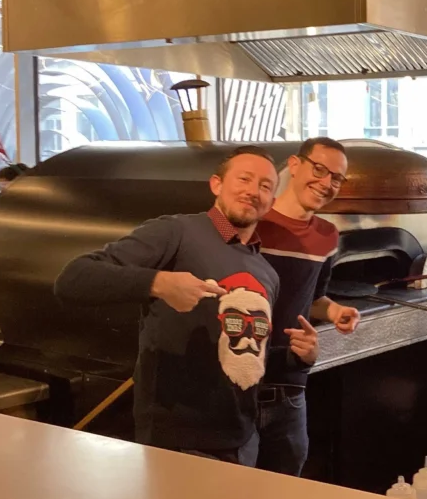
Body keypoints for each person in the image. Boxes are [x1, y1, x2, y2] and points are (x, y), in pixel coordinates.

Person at [55, 145, 308, 465]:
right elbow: (74, 279)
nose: (253, 191)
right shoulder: (176, 232)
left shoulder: (266, 273)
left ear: (271, 201)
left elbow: (244, 355)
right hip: (180, 439)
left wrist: (297, 358)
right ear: (217, 184)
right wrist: (157, 282)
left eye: (265, 186)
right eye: (244, 179)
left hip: (243, 438)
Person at [255, 137, 360, 477]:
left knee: (285, 496)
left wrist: (335, 312)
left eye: (337, 178)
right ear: (295, 165)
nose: (326, 183)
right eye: (320, 169)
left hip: (289, 386)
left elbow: (314, 298)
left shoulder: (328, 236)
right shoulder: (253, 221)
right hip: (237, 385)